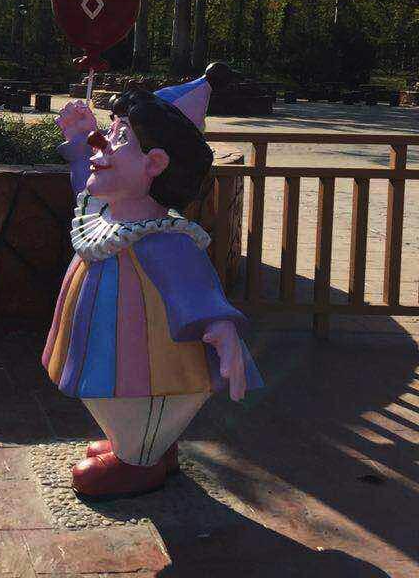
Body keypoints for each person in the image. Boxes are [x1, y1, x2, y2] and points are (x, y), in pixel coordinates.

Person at [43, 68, 261, 498]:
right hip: (113, 353)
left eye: (120, 137)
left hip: (149, 358)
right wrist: (81, 136)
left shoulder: (165, 237)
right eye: (109, 130)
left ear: (155, 164)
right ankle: (145, 445)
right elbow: (87, 183)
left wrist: (221, 328)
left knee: (139, 390)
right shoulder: (107, 216)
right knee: (120, 393)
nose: (102, 142)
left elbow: (197, 290)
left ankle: (138, 461)